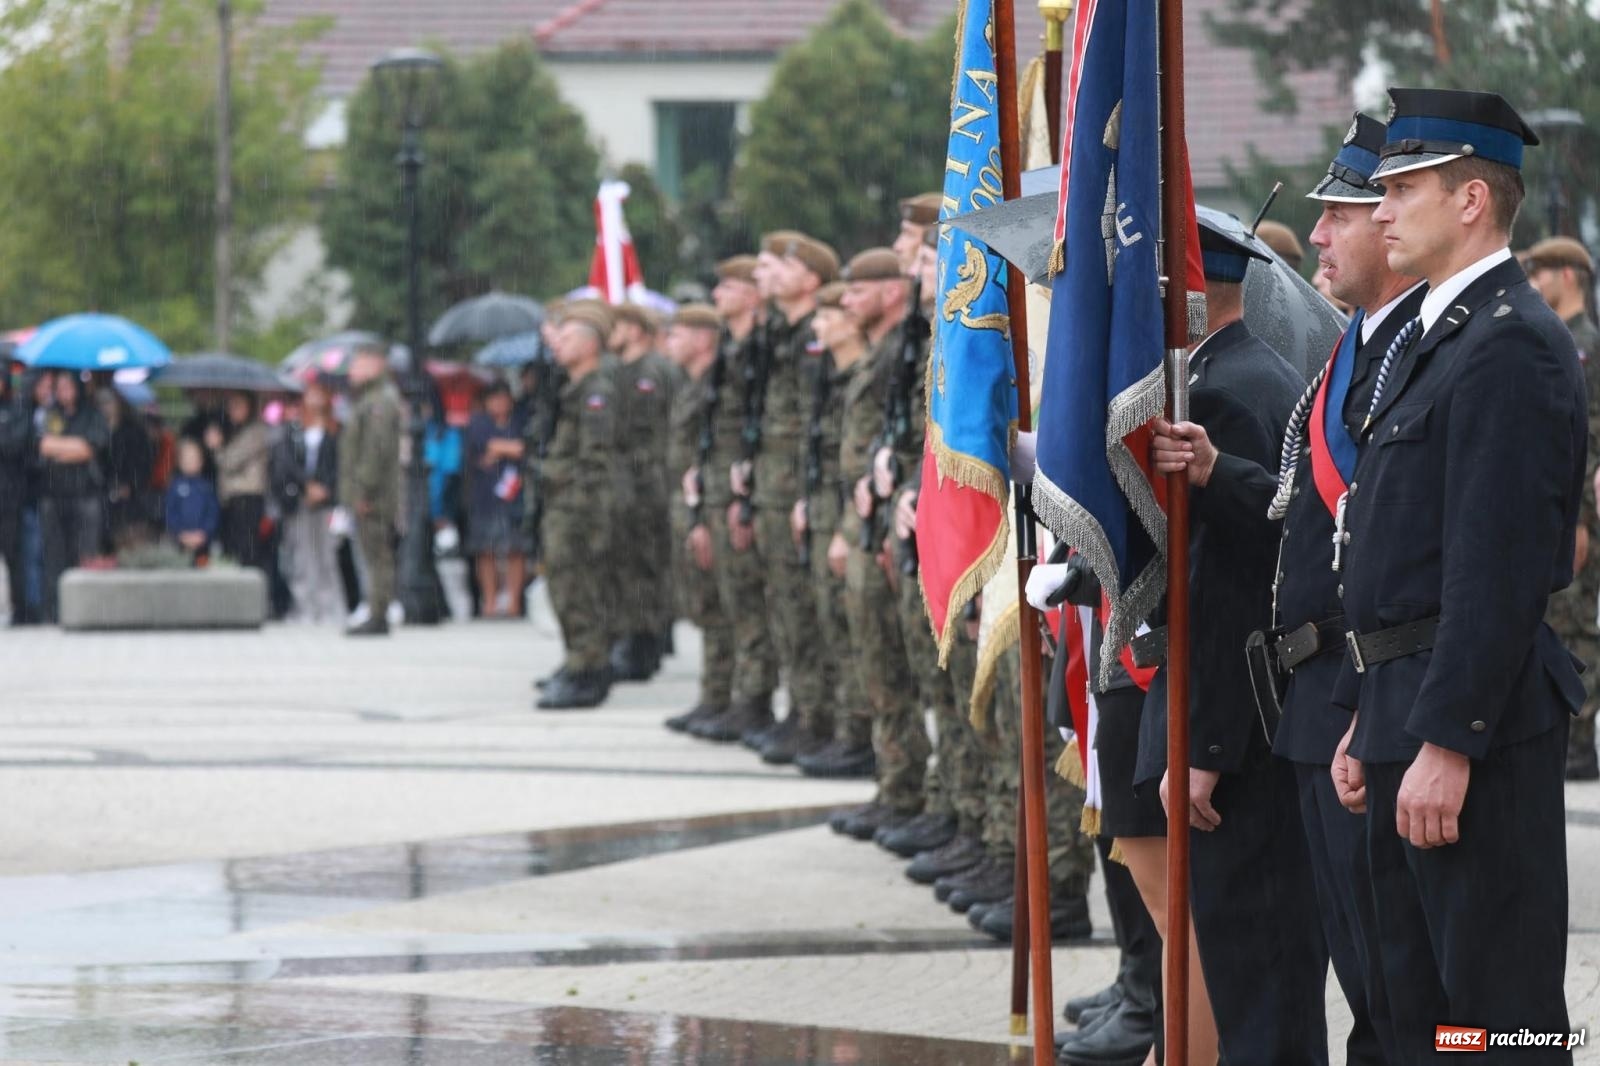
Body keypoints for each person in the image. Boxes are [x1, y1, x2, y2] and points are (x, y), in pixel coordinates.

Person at [1331, 87, 1581, 1063]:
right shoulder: (1440, 338)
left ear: (1471, 199)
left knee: (1494, 1016)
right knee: (1423, 1010)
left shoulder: (1509, 340)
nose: (1380, 207)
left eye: (1402, 187)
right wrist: (1371, 709)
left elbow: (1498, 564)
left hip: (1468, 715)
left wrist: (1448, 736)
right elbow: (1402, 554)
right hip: (1407, 698)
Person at [1258, 112, 1425, 1066]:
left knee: (1421, 997)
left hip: (1369, 698)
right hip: (1321, 701)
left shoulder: (1422, 352)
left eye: (1341, 213)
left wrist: (1366, 702)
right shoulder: (1355, 348)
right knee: (1367, 986)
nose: (1318, 235)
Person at [1144, 216, 1320, 1066]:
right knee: (1256, 965)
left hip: (1244, 731)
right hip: (1253, 720)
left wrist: (1206, 740)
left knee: (1262, 972)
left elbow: (1239, 589)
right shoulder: (1234, 374)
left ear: (1183, 297)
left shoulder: (1228, 391)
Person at [829, 247, 929, 839]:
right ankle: (901, 788)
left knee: (913, 669)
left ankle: (931, 802)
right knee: (884, 662)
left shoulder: (909, 348)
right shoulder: (887, 352)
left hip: (904, 518)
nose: (843, 303)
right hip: (875, 516)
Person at [741, 231, 839, 761]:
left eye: (778, 265)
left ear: (811, 277)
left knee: (807, 609)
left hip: (799, 486)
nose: (766, 275)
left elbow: (813, 423)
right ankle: (802, 710)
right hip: (775, 484)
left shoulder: (815, 336)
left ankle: (819, 715)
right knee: (786, 607)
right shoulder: (778, 333)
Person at [682, 257, 779, 739]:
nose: (718, 294)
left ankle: (754, 700)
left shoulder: (757, 349)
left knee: (751, 603)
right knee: (728, 600)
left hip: (747, 490)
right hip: (721, 487)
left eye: (729, 285)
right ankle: (732, 696)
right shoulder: (731, 351)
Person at [1523, 236, 1600, 780]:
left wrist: (1577, 518)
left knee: (1577, 623)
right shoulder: (1564, 340)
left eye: (1542, 272)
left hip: (1584, 508)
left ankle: (1577, 744)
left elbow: (1586, 437)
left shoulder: (1584, 345)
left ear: (1569, 275)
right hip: (1570, 505)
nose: (1534, 282)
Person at [792, 282, 876, 779]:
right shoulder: (834, 375)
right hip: (830, 511)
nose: (819, 326)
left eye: (830, 316)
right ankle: (850, 731)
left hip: (856, 518)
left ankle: (859, 736)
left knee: (859, 634)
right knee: (834, 626)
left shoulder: (864, 373)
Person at [534, 302, 625, 710]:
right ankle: (578, 662)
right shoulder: (575, 388)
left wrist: (588, 517)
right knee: (565, 588)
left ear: (590, 345)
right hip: (564, 503)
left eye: (567, 337)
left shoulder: (596, 393)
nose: (558, 344)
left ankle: (587, 669)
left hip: (579, 507)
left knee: (580, 590)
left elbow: (596, 460)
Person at [662, 304, 737, 730]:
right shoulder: (691, 385)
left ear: (705, 339)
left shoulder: (716, 385)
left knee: (726, 606)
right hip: (690, 502)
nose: (670, 339)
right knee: (706, 604)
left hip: (710, 503)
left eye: (680, 332)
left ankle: (730, 697)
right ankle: (714, 694)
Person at [607, 302, 679, 680]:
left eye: (616, 325)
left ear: (634, 329)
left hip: (644, 482)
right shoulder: (626, 369)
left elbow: (642, 435)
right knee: (634, 565)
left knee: (641, 566)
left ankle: (643, 644)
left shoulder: (647, 372)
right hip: (635, 481)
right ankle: (640, 640)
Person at [339, 346, 404, 637]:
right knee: (374, 555)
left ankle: (378, 614)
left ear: (376, 364)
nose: (351, 370)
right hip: (372, 493)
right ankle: (377, 610)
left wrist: (362, 491)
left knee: (377, 556)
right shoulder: (369, 399)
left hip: (374, 496)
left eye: (358, 362)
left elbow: (375, 452)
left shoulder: (378, 401)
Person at [37, 372, 109, 623]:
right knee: (54, 557)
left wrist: (61, 449)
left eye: (69, 386)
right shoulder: (49, 414)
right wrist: (74, 447)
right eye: (60, 386)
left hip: (85, 496)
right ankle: (54, 612)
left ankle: (86, 611)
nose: (64, 391)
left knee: (85, 556)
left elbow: (91, 447)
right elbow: (42, 446)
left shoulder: (92, 415)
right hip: (53, 496)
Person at [270, 377, 343, 623]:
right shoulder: (292, 430)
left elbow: (339, 464)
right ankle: (304, 607)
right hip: (298, 500)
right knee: (300, 557)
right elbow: (285, 463)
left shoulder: (335, 429)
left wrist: (325, 488)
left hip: (326, 503)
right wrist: (306, 485)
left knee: (326, 556)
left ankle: (329, 607)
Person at [464, 380, 528, 619]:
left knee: (516, 548)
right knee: (486, 549)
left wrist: (501, 451)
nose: (500, 403)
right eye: (494, 399)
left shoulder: (520, 421)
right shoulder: (479, 423)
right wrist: (508, 449)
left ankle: (513, 602)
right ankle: (489, 602)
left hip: (515, 495)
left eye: (504, 398)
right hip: (485, 497)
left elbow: (524, 448)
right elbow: (486, 447)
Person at [210, 392, 270, 570]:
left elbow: (230, 461)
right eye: (230, 406)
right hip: (232, 498)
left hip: (248, 498)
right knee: (232, 549)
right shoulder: (235, 430)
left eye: (238, 405)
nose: (232, 410)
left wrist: (217, 446)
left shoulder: (256, 431)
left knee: (247, 550)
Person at [97, 385, 154, 550]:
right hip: (104, 497)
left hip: (132, 498)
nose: (106, 407)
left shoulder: (134, 431)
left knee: (130, 542)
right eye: (102, 403)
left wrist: (130, 485)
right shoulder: (97, 431)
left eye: (109, 402)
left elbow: (144, 463)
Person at [0, 368, 31, 622]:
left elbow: (13, 446)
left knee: (15, 557)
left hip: (10, 499)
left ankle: (21, 611)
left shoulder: (17, 410)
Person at [166, 437, 221, 564]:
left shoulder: (207, 487)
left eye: (194, 459)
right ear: (179, 462)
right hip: (179, 542)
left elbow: (213, 513)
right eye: (187, 459)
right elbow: (170, 512)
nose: (190, 462)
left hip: (203, 542)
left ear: (201, 461)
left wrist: (204, 533)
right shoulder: (174, 486)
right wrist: (180, 533)